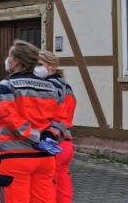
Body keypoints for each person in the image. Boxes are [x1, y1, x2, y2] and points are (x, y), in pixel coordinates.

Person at [0, 40, 65, 203]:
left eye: (9, 56)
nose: (8, 59)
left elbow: (10, 119)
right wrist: (50, 135)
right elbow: (61, 118)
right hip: (45, 159)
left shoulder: (6, 86)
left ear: (16, 62)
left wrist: (35, 137)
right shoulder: (51, 87)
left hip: (16, 157)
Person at [38, 50, 76, 203]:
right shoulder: (66, 86)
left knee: (48, 189)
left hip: (51, 142)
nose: (35, 68)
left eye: (39, 64)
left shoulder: (48, 86)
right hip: (66, 143)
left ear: (52, 66)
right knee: (63, 188)